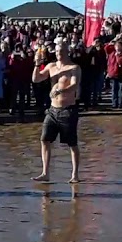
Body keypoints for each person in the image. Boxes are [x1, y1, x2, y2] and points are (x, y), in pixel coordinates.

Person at [31, 41, 81, 183]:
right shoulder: (51, 66)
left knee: (72, 144)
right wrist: (36, 63)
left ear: (67, 52)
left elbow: (74, 85)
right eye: (57, 52)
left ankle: (75, 174)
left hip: (67, 110)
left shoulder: (74, 68)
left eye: (61, 51)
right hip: (52, 110)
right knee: (44, 140)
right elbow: (36, 79)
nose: (59, 54)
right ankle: (45, 173)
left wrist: (61, 90)